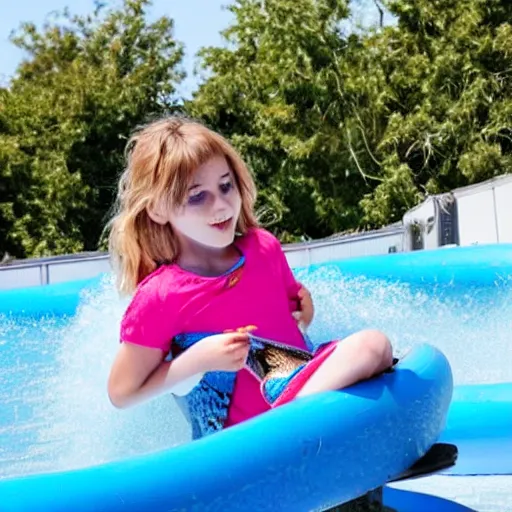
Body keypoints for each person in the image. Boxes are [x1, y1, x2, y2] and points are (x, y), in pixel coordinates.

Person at [107, 115, 393, 439]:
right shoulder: (161, 296)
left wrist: (304, 307)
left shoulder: (263, 248)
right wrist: (197, 360)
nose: (221, 204)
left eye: (226, 186)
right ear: (158, 210)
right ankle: (296, 432)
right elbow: (122, 391)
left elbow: (288, 314)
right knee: (372, 346)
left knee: (376, 351)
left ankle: (311, 431)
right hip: (245, 444)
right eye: (197, 196)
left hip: (296, 383)